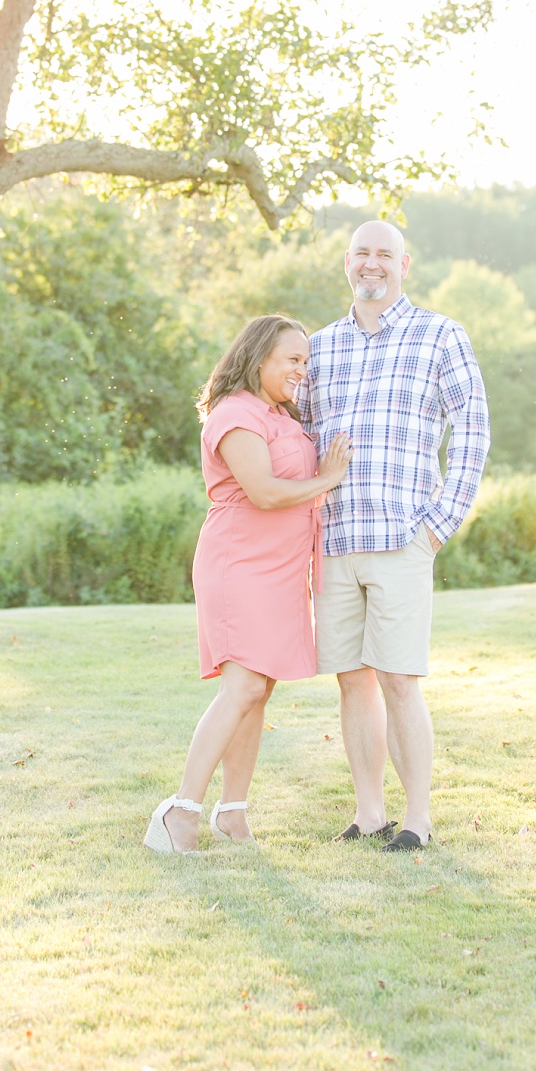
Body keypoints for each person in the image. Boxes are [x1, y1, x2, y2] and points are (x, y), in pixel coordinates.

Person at [303, 220, 490, 852]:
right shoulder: (320, 347)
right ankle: (368, 811)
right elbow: (302, 442)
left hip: (402, 536)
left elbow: (473, 429)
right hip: (333, 540)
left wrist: (439, 525)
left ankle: (416, 819)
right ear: (347, 265)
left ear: (404, 265)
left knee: (398, 678)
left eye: (384, 254)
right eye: (362, 254)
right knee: (351, 679)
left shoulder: (440, 336)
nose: (372, 264)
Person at [145, 315, 352, 855]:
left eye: (306, 361)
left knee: (259, 691)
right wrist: (328, 479)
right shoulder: (235, 414)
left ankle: (232, 813)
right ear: (260, 357)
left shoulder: (280, 414)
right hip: (240, 564)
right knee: (240, 688)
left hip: (282, 571)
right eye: (292, 360)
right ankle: (179, 813)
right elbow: (262, 491)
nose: (302, 371)